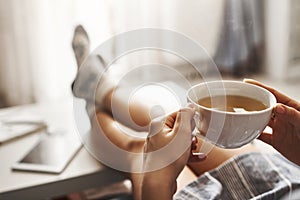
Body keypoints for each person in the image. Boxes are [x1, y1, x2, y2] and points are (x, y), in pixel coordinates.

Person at [71, 25, 300, 199]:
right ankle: (98, 86)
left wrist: (157, 184)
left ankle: (93, 99)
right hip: (287, 183)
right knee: (170, 123)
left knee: (141, 154)